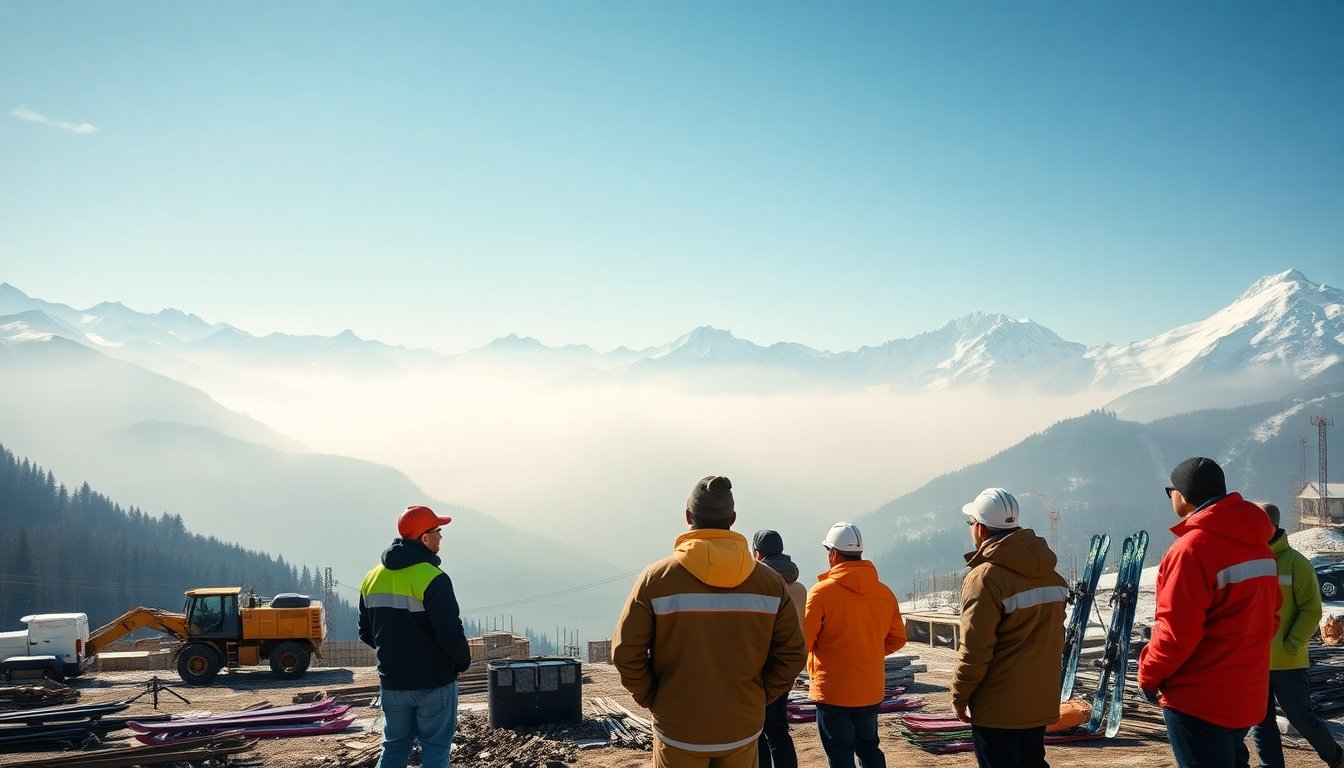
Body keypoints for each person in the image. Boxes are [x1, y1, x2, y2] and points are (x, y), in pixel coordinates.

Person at [613, 476, 806, 768]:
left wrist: (655, 698)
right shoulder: (769, 583)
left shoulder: (656, 579)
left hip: (679, 729)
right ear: (733, 519)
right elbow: (793, 653)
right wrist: (758, 696)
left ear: (688, 516)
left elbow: (625, 653)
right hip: (742, 729)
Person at [1137, 457, 1281, 767]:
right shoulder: (1260, 546)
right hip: (1245, 693)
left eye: (1170, 491)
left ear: (1184, 496)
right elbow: (1271, 619)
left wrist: (1148, 675)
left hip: (1199, 699)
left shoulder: (1191, 550)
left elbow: (1176, 632)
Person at [952, 488, 1069, 768]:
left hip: (998, 707)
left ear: (979, 529)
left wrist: (960, 695)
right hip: (1039, 701)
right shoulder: (1049, 572)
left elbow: (975, 649)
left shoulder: (986, 577)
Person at [359, 504, 472, 768]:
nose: (441, 536)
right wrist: (462, 663)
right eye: (437, 530)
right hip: (434, 683)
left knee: (394, 748)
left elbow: (366, 631)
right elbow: (449, 633)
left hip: (392, 683)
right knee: (435, 750)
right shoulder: (434, 578)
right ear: (424, 538)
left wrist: (396, 653)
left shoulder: (372, 577)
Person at [1243, 502, 1344, 768]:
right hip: (1255, 662)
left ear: (1271, 527)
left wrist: (1291, 644)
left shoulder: (1297, 563)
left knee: (1302, 719)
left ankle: (1337, 758)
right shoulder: (1249, 562)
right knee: (1261, 723)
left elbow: (1312, 610)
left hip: (1288, 662)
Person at [803, 521, 906, 768]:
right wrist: (868, 651)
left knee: (840, 756)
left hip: (833, 690)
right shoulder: (884, 592)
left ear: (834, 554)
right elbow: (898, 639)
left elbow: (803, 642)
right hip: (870, 688)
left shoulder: (820, 594)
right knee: (870, 750)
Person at [752, 529, 807, 768]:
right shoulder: (800, 588)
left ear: (757, 553)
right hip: (789, 665)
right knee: (779, 729)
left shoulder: (756, 585)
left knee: (758, 732)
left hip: (760, 667)